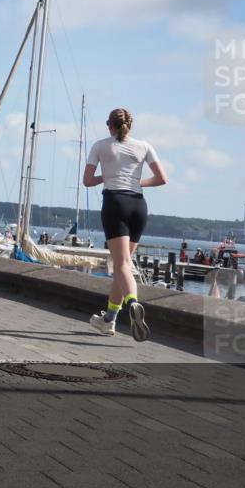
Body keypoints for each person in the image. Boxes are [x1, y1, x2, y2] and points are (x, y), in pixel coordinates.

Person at [83, 108, 167, 341]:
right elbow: (162, 178)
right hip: (138, 205)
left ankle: (133, 303)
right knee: (123, 267)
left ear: (109, 124)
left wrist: (107, 176)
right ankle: (109, 320)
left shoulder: (100, 146)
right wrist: (138, 181)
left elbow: (87, 181)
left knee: (121, 264)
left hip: (115, 203)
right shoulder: (145, 146)